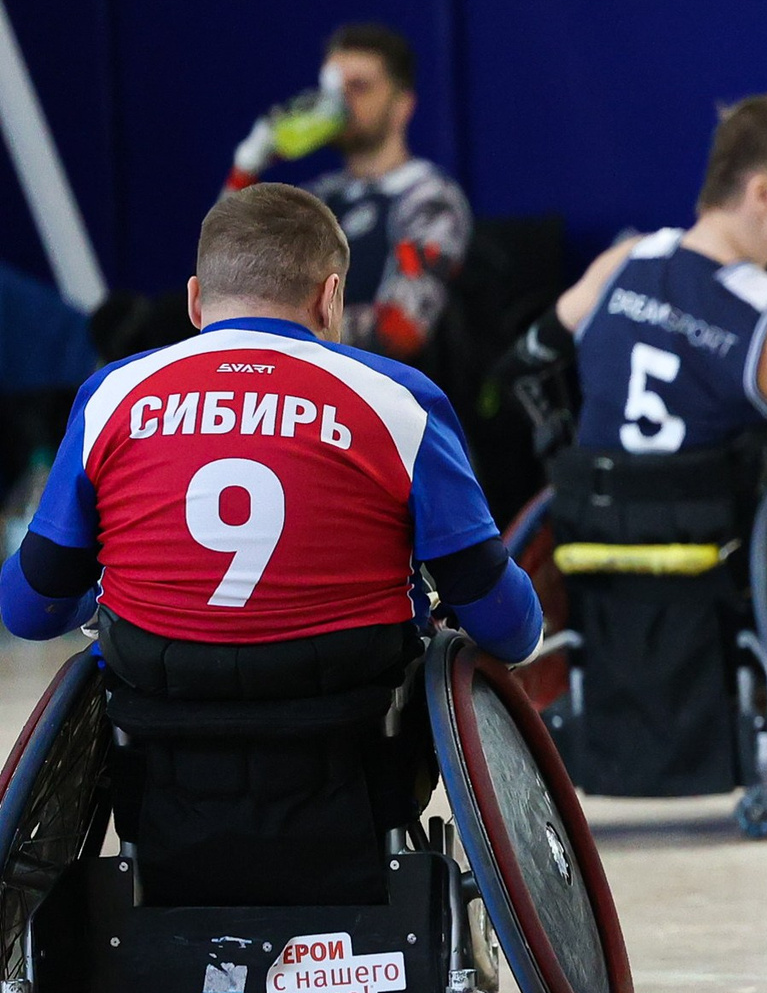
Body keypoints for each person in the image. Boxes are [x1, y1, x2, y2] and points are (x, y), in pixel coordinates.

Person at [0, 183, 537, 668]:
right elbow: (507, 624)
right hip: (355, 728)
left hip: (151, 724)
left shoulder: (111, 394)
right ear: (330, 299)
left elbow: (27, 609)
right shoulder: (403, 400)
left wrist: (106, 598)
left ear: (194, 301)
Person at [496, 93, 767, 524]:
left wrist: (571, 457)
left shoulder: (622, 263)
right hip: (715, 569)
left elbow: (517, 373)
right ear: (763, 194)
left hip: (586, 557)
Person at [229, 23, 473, 363]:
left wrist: (278, 332)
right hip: (301, 378)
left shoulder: (431, 197)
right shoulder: (318, 196)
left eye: (359, 87)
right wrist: (247, 167)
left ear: (402, 105)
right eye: (333, 90)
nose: (340, 104)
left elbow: (401, 329)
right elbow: (226, 274)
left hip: (387, 387)